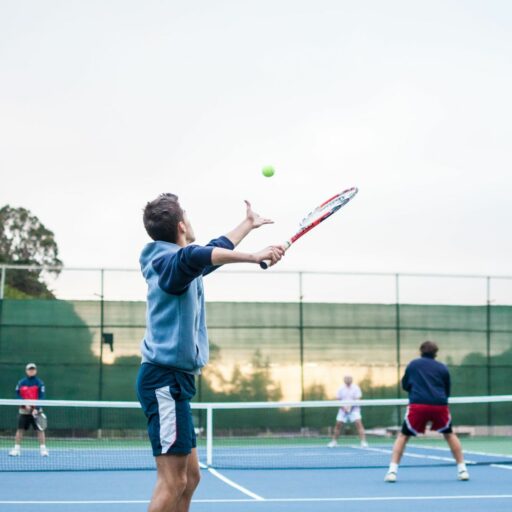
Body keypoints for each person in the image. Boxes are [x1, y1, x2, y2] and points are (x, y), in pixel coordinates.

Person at [136, 193, 285, 512]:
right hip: (163, 381)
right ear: (181, 226)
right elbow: (196, 256)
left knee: (190, 477)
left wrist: (247, 225)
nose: (191, 222)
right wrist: (253, 256)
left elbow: (208, 252)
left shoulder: (178, 264)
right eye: (187, 217)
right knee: (173, 481)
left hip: (177, 382)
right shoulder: (168, 264)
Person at [384, 341, 469, 482]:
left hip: (418, 405)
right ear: (436, 352)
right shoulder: (442, 368)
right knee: (449, 435)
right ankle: (463, 470)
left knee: (403, 437)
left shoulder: (413, 365)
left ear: (421, 351)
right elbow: (447, 390)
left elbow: (405, 385)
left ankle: (392, 472)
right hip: (439, 405)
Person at [9, 363, 49, 457]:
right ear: (26, 371)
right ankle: (17, 449)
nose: (31, 371)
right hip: (24, 411)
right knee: (20, 430)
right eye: (29, 369)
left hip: (36, 411)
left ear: (36, 371)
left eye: (33, 369)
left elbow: (41, 397)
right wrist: (24, 404)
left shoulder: (40, 383)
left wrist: (37, 408)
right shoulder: (21, 382)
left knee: (40, 430)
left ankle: (43, 450)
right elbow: (17, 395)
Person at [328, 375, 368, 448]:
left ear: (352, 380)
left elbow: (358, 399)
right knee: (338, 424)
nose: (348, 380)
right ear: (344, 380)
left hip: (354, 409)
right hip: (343, 410)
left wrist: (350, 408)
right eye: (346, 379)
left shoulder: (356, 388)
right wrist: (344, 408)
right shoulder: (340, 388)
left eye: (349, 379)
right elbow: (338, 400)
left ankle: (363, 442)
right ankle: (334, 442)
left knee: (358, 423)